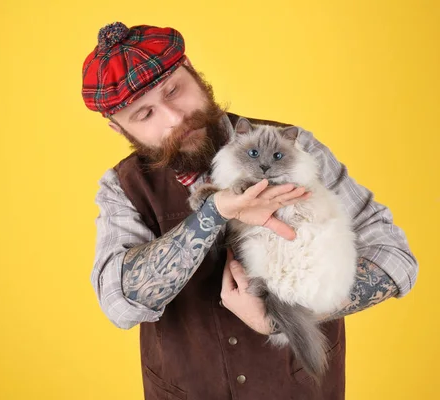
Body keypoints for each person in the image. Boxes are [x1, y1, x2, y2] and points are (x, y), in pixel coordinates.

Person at [83, 22, 418, 400]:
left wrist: (280, 317)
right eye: (145, 115)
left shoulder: (294, 148)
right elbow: (118, 303)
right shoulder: (121, 186)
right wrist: (213, 213)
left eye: (174, 91)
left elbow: (396, 258)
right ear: (117, 128)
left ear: (191, 68)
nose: (174, 118)